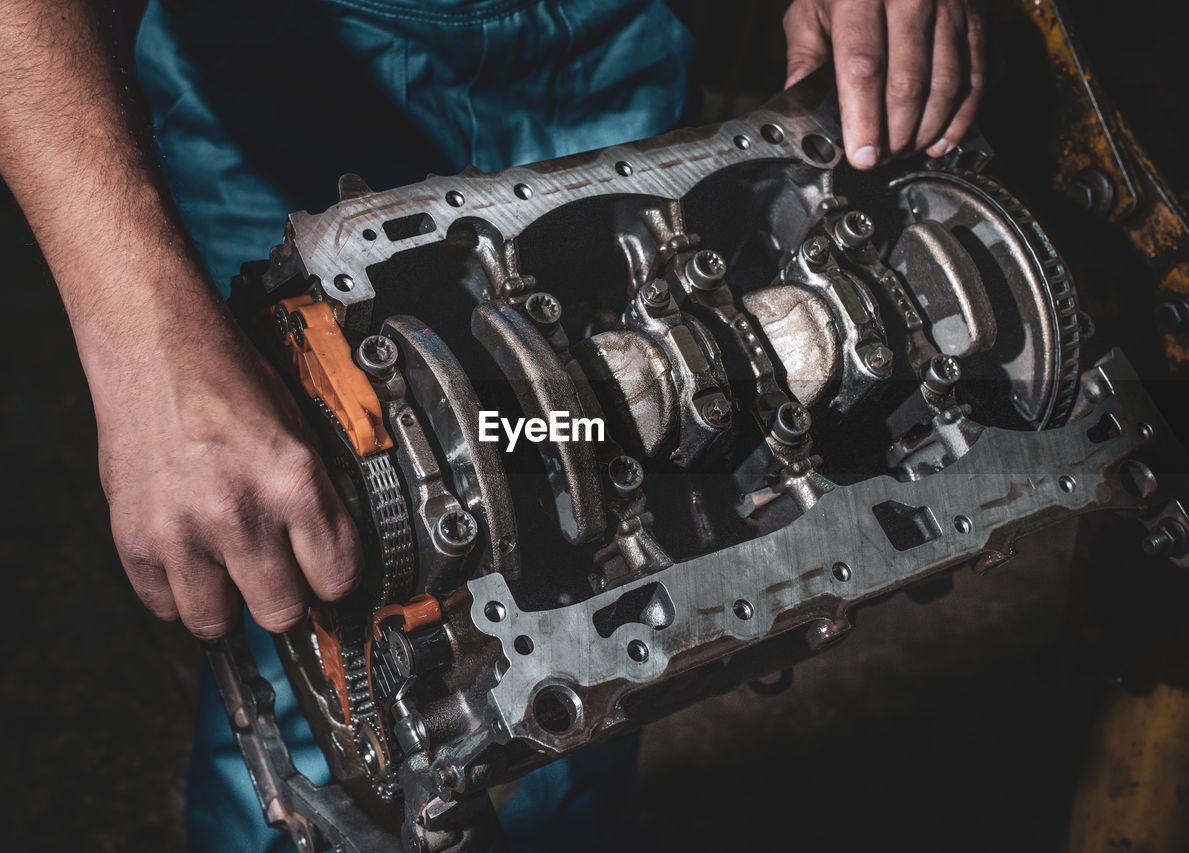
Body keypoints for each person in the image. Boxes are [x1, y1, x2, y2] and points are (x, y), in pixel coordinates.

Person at [0, 0, 986, 849]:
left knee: (616, 602)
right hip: (266, 72)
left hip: (606, 39)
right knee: (319, 619)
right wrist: (140, 326)